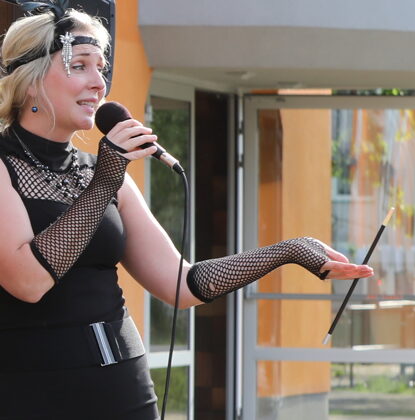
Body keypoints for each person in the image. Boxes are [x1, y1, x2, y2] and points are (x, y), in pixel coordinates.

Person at [0, 3, 374, 420]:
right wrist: (104, 182)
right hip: (31, 388)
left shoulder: (104, 172)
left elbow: (180, 285)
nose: (99, 83)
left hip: (123, 388)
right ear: (29, 82)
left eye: (102, 68)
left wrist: (288, 250)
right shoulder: (27, 168)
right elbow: (28, 281)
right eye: (80, 65)